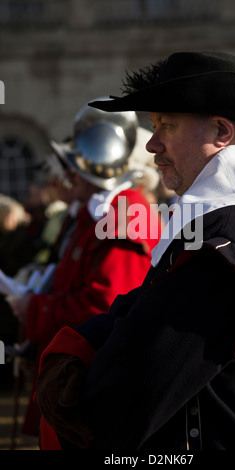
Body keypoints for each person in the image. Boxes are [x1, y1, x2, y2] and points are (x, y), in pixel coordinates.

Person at [36, 23, 235, 450]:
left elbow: (136, 384)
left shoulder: (224, 251)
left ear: (221, 133)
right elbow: (144, 305)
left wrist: (77, 387)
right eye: (154, 126)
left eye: (168, 126)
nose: (152, 144)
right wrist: (83, 342)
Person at [10, 99, 162, 436]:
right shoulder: (97, 212)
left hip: (91, 377)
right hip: (73, 369)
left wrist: (35, 308)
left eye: (73, 168)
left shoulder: (124, 214)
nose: (66, 177)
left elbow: (105, 304)